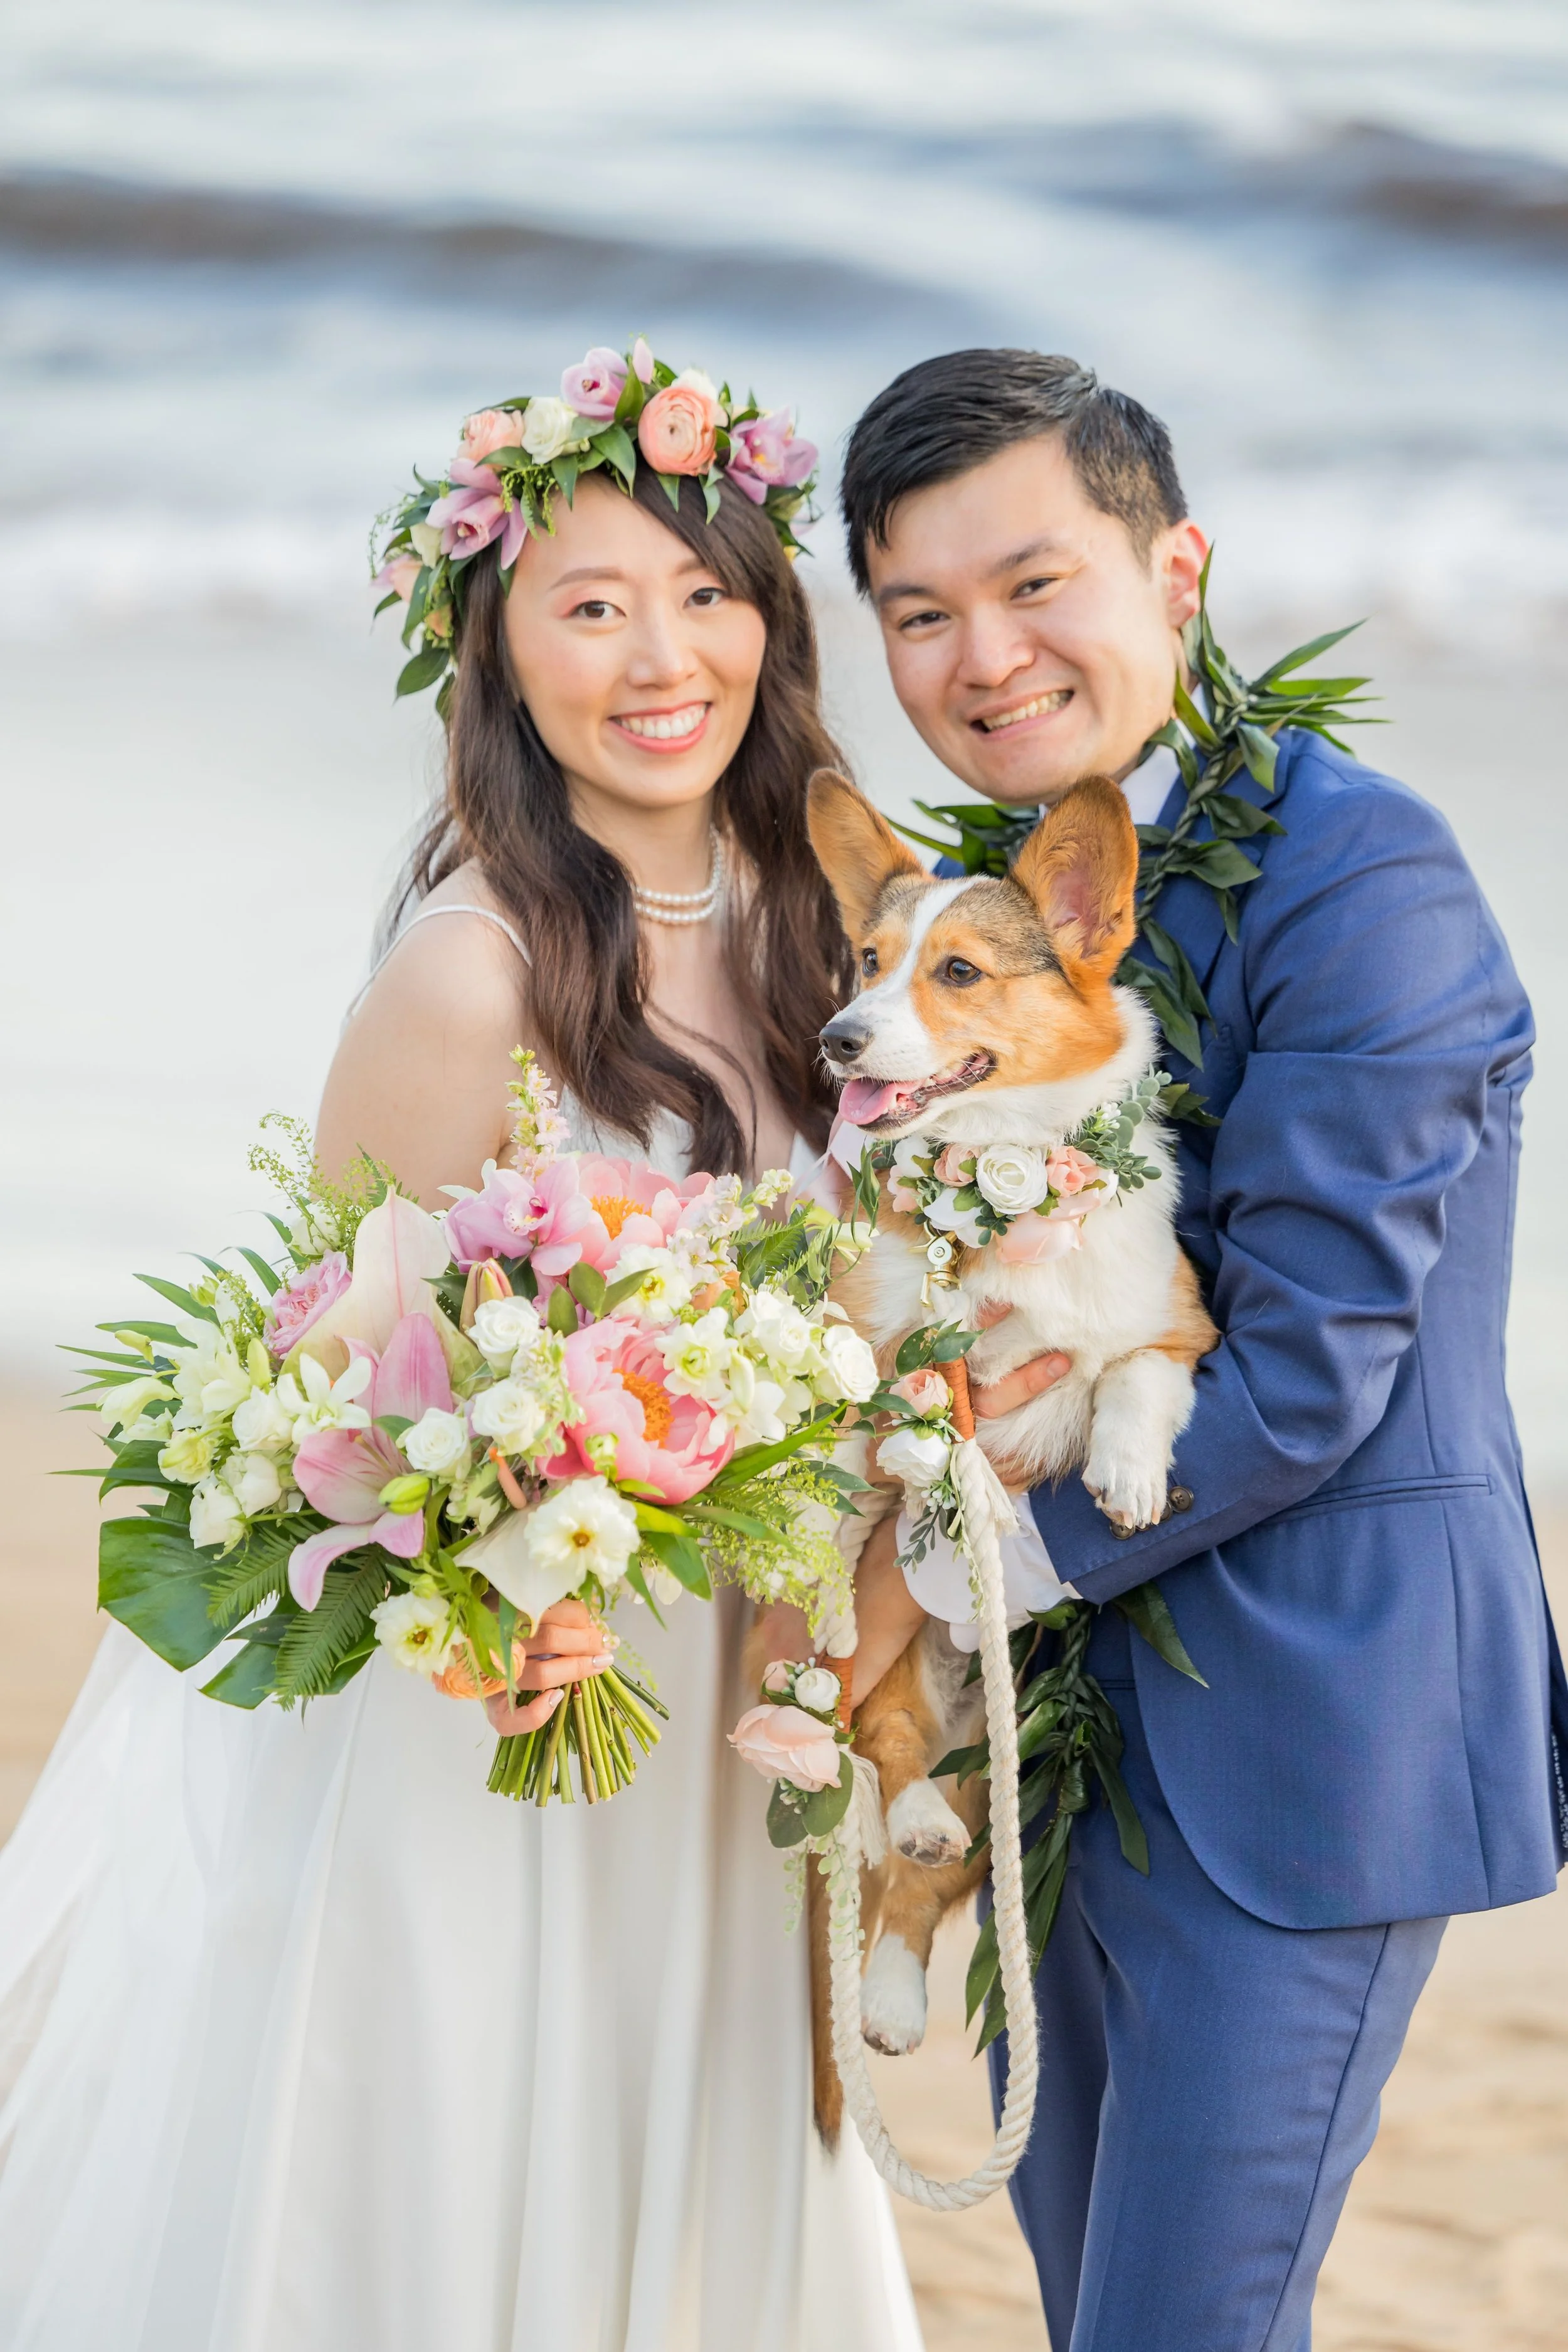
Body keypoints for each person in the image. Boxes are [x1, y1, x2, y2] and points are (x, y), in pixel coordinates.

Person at [0, 358, 922, 2352]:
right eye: (587, 605)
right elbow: (324, 1414)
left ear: (771, 612)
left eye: (701, 590)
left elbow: (881, 1341)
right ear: (499, 663)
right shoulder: (469, 970)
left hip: (745, 1696)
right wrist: (503, 1600)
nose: (661, 654)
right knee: (458, 2196)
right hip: (506, 1717)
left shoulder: (845, 945)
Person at [835, 347, 1568, 2351]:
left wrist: (965, 1571)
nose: (981, 655)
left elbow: (1314, 1365)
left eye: (1031, 581)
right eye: (917, 613)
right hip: (1076, 1747)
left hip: (1310, 1736)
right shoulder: (965, 926)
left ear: (1176, 568)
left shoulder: (1362, 869)